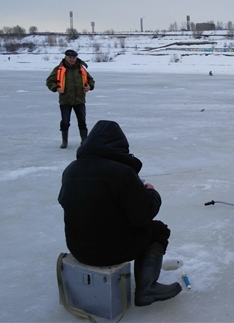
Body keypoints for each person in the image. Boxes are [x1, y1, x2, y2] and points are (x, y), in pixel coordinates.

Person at [58, 120, 181, 307]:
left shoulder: (71, 169)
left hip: (78, 248)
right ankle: (147, 288)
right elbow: (143, 215)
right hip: (110, 251)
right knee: (157, 230)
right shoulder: (121, 172)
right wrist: (151, 193)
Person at [46, 49, 95, 148]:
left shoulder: (81, 68)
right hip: (65, 100)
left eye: (74, 57)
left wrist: (90, 86)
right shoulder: (59, 69)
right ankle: (64, 141)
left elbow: (91, 80)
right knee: (65, 121)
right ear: (65, 57)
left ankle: (84, 141)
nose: (72, 59)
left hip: (80, 100)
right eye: (70, 57)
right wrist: (56, 88)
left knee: (82, 121)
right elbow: (49, 81)